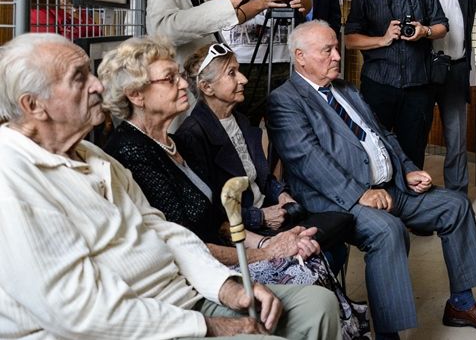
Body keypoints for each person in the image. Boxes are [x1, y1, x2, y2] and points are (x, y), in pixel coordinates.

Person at [0, 32, 339, 339]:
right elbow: (80, 312)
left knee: (319, 305)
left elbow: (166, 231)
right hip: (140, 318)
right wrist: (211, 323)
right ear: (34, 105)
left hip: (181, 292)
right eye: (79, 78)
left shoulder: (92, 155)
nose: (97, 86)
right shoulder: (13, 179)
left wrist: (228, 287)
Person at [97, 36, 368, 338]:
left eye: (180, 76)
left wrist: (265, 244)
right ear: (136, 95)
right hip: (194, 276)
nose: (184, 84)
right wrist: (266, 251)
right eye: (170, 79)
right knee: (306, 269)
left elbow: (218, 218)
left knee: (310, 255)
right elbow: (182, 243)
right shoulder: (132, 152)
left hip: (227, 250)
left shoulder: (172, 143)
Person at [267, 20, 476, 339]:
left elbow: (383, 135)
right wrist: (360, 194)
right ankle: (387, 335)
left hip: (387, 188)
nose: (337, 56)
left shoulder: (346, 89)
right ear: (300, 56)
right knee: (388, 230)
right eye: (327, 50)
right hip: (335, 200)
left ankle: (461, 305)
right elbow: (308, 160)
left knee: (455, 205)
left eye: (336, 48)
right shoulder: (285, 100)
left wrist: (407, 168)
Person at [176, 43, 355, 275]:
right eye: (232, 73)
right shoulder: (192, 136)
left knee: (341, 230)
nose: (244, 79)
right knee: (324, 253)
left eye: (238, 70)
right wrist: (260, 217)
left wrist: (280, 193)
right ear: (207, 87)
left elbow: (261, 175)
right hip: (244, 231)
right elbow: (210, 213)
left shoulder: (240, 119)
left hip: (273, 213)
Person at [344, 0, 448, 167]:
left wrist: (425, 31)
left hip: (418, 86)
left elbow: (442, 26)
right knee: (376, 151)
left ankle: (411, 190)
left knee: (414, 151)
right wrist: (383, 40)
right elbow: (349, 40)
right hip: (378, 86)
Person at [428, 0, 476, 193]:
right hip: (425, 72)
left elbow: (466, 38)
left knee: (457, 138)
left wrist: (469, 74)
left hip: (456, 71)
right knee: (416, 135)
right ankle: (413, 195)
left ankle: (457, 194)